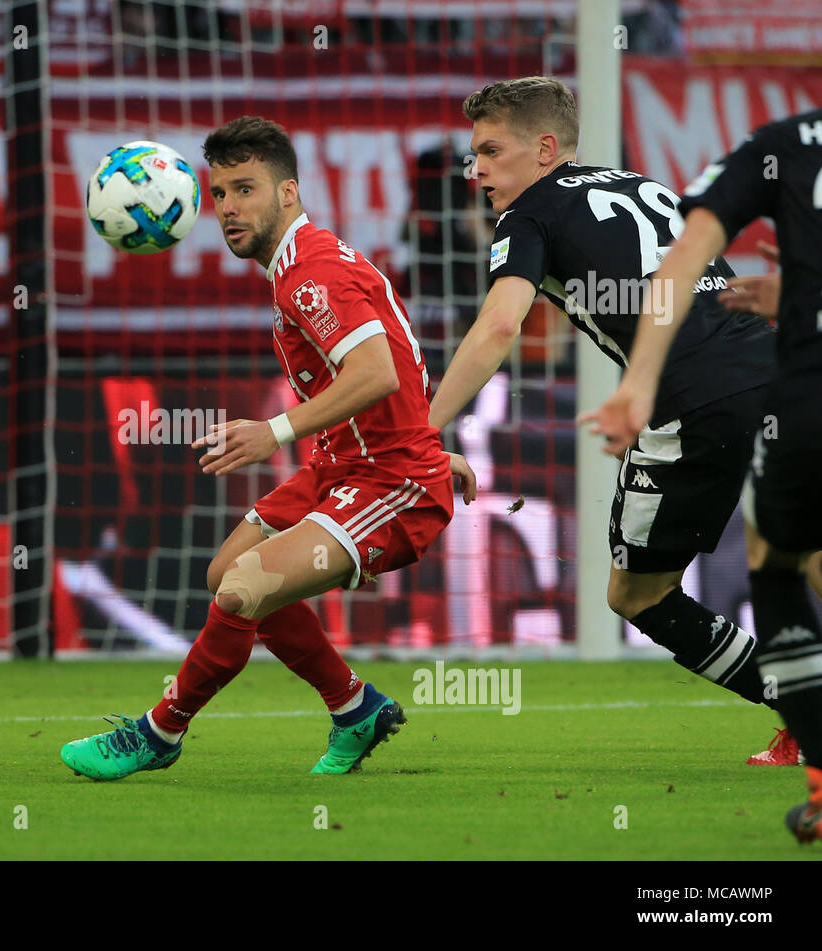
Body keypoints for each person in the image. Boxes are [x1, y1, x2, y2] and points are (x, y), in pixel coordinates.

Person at [60, 116, 476, 780]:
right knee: (227, 574)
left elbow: (377, 371)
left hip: (389, 479)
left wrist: (276, 432)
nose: (228, 209)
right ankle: (353, 706)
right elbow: (396, 353)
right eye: (220, 193)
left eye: (245, 189)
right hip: (348, 462)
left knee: (244, 589)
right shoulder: (300, 264)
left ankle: (157, 732)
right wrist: (427, 438)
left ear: (289, 192)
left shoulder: (310, 273)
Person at [428, 76, 806, 764]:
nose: (474, 168)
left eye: (489, 150)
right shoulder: (634, 181)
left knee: (638, 592)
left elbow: (499, 326)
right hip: (777, 369)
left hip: (693, 400)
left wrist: (426, 430)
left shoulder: (529, 216)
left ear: (544, 149)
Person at [584, 109, 822, 841]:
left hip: (805, 390)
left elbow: (686, 258)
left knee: (778, 565)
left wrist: (639, 381)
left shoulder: (787, 143)